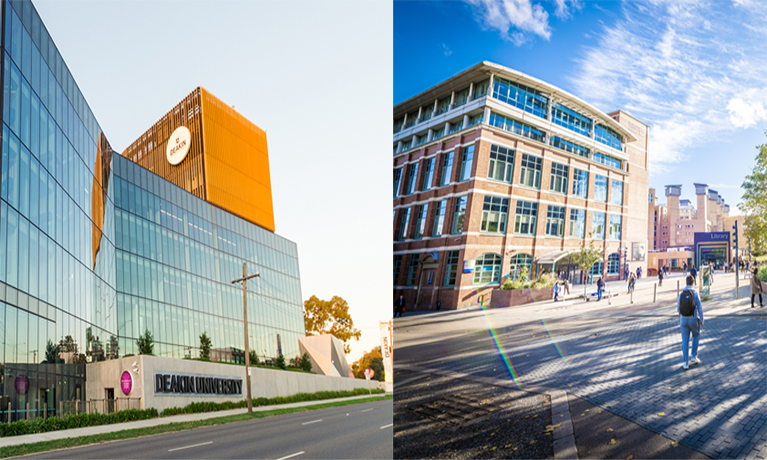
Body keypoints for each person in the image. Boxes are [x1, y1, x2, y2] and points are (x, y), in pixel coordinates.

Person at [678, 275, 703, 370]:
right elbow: (700, 308)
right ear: (693, 283)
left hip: (683, 319)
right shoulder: (695, 294)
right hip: (693, 318)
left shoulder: (681, 294)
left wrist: (682, 316)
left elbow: (678, 309)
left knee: (685, 340)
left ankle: (685, 362)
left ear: (686, 282)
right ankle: (694, 356)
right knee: (696, 335)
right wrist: (702, 319)